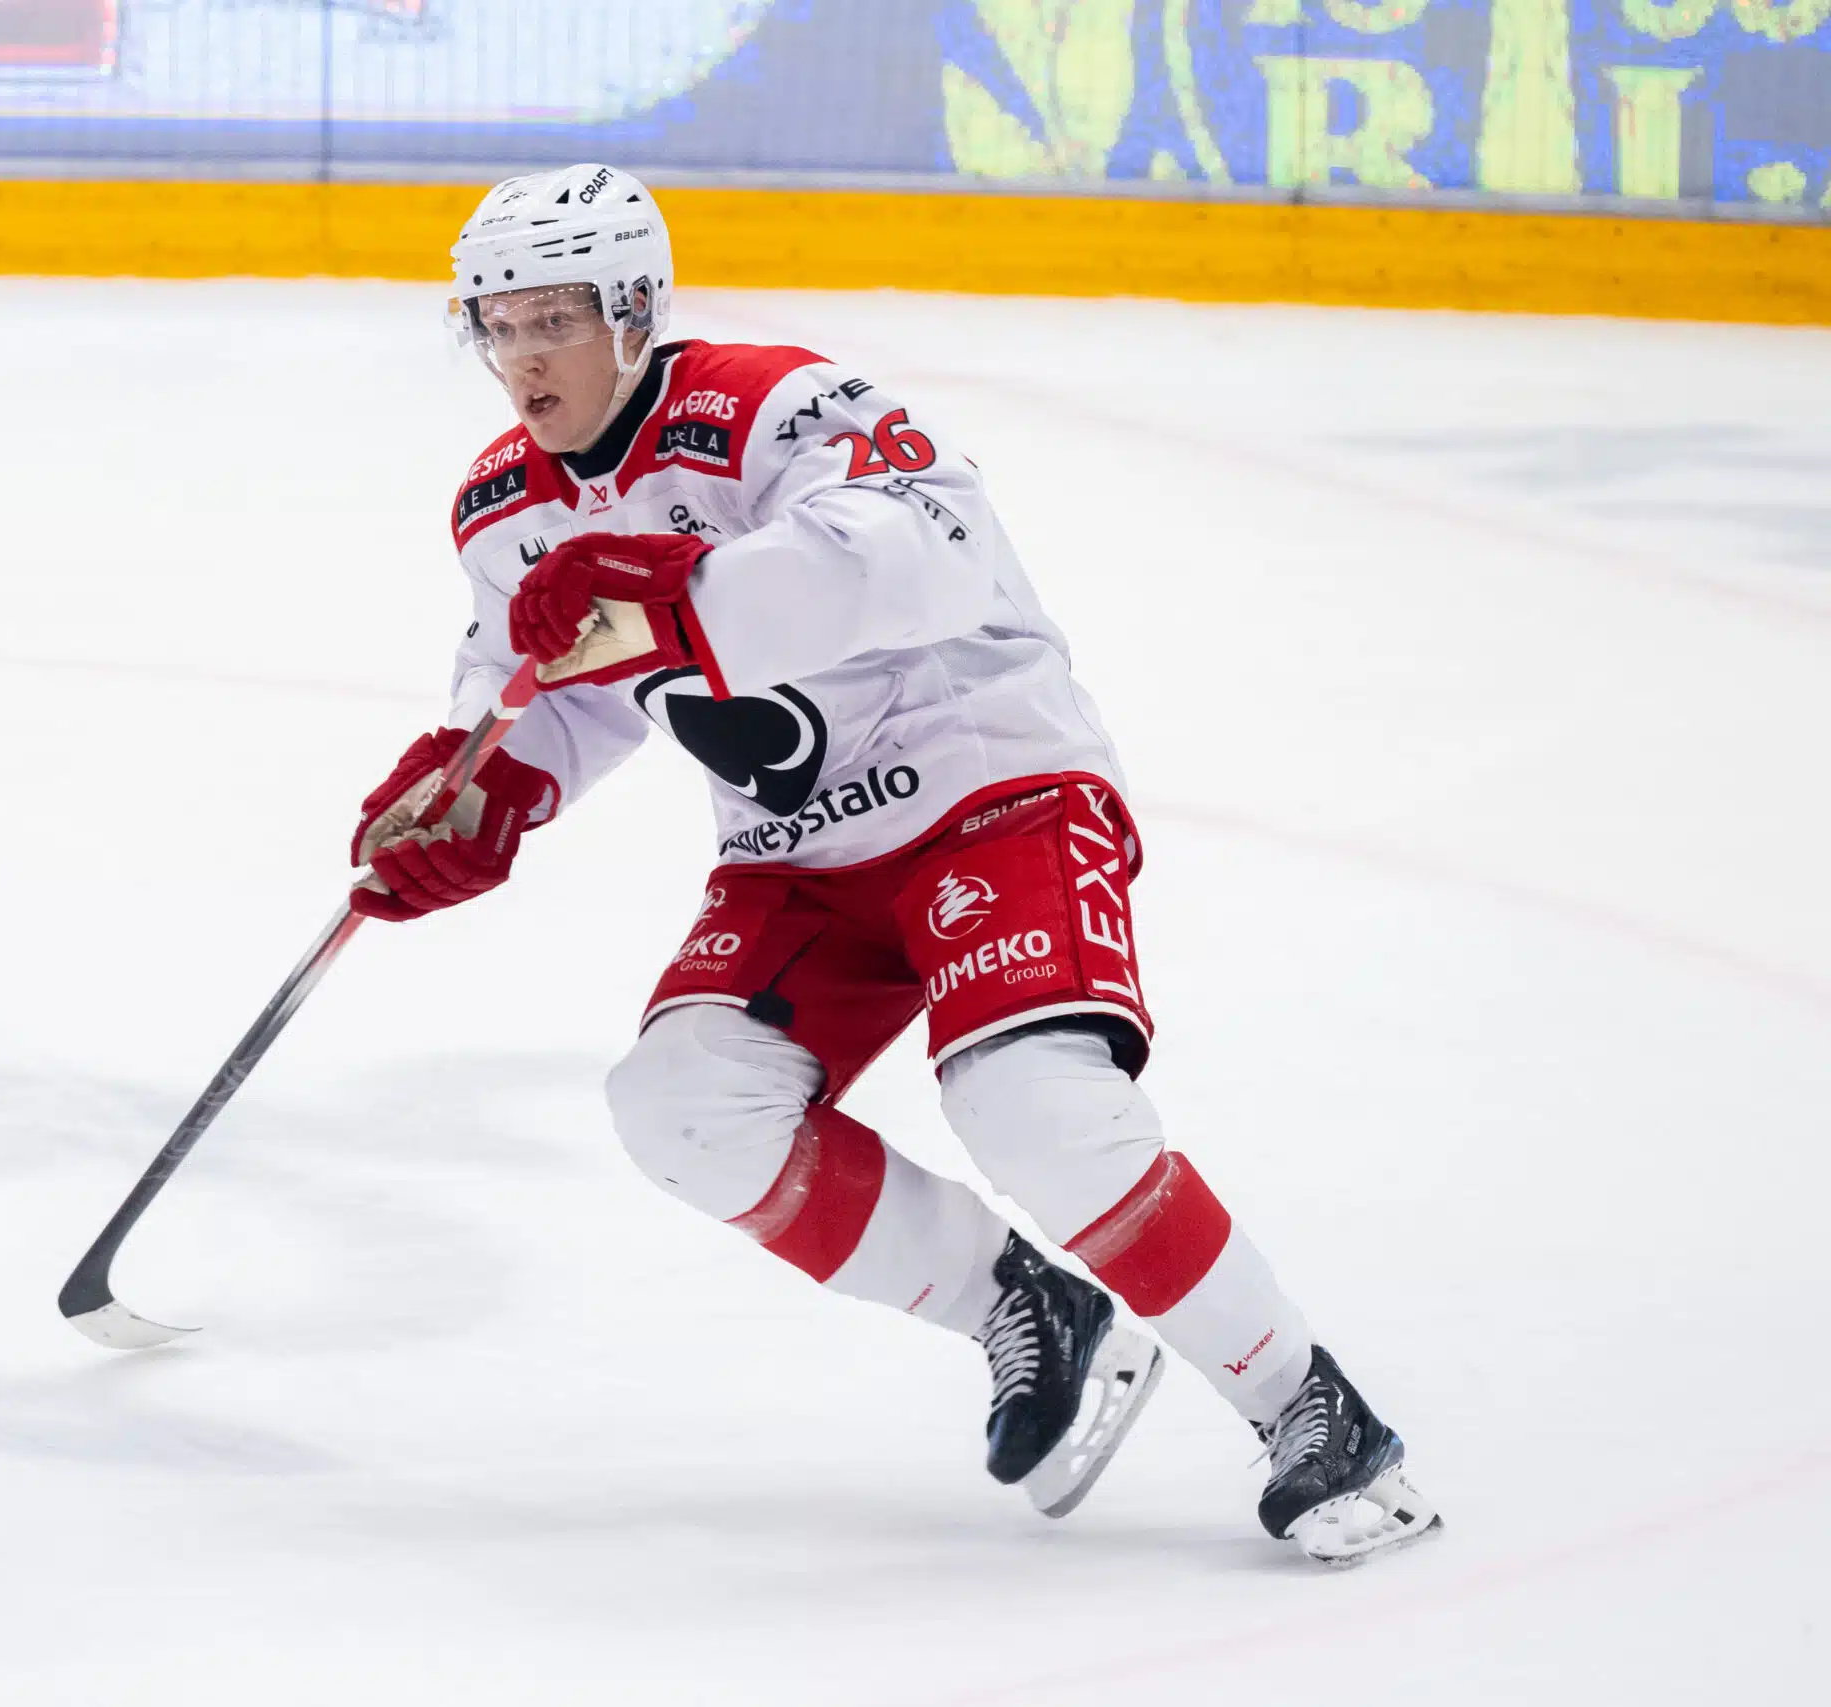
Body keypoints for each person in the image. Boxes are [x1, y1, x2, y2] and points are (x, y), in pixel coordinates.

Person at [349, 163, 1439, 1565]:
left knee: (1032, 1106)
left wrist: (681, 595)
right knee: (683, 1106)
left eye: (555, 318)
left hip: (991, 786)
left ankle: (1315, 1410)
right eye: (498, 325)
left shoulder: (773, 403)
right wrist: (476, 792)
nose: (524, 358)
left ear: (633, 311)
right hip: (797, 855)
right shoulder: (506, 505)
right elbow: (546, 687)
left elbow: (932, 549)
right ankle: (1022, 1307)